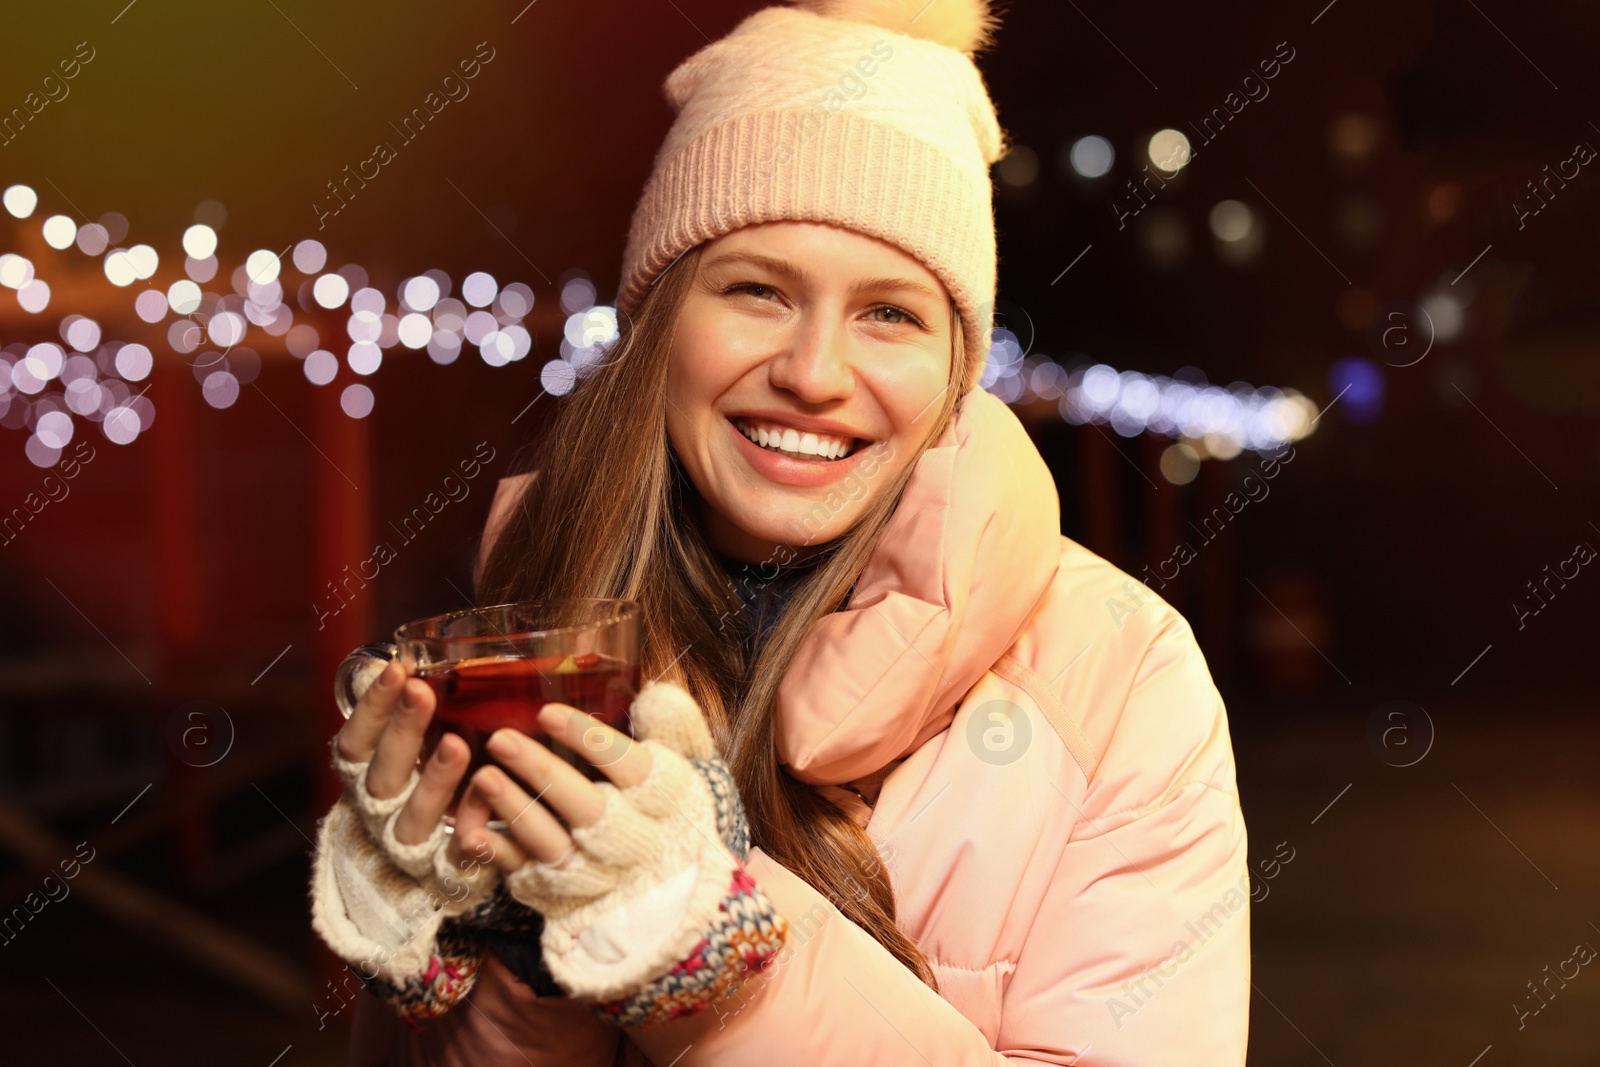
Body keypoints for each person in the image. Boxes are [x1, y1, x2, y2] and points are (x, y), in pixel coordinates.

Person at [310, 0, 1252, 1063]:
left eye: (890, 312)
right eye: (756, 290)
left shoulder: (1122, 677)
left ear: (955, 365)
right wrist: (494, 957)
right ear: (661, 323)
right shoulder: (516, 643)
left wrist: (708, 954)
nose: (813, 373)